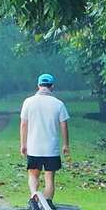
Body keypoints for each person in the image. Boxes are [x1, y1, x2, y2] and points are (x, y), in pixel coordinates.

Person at [20, 73, 70, 201]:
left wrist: (23, 143)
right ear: (52, 86)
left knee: (33, 173)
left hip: (34, 146)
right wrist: (66, 144)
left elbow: (24, 124)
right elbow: (64, 126)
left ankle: (34, 194)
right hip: (51, 147)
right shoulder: (58, 104)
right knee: (49, 177)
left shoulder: (28, 102)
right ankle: (47, 204)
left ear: (38, 85)